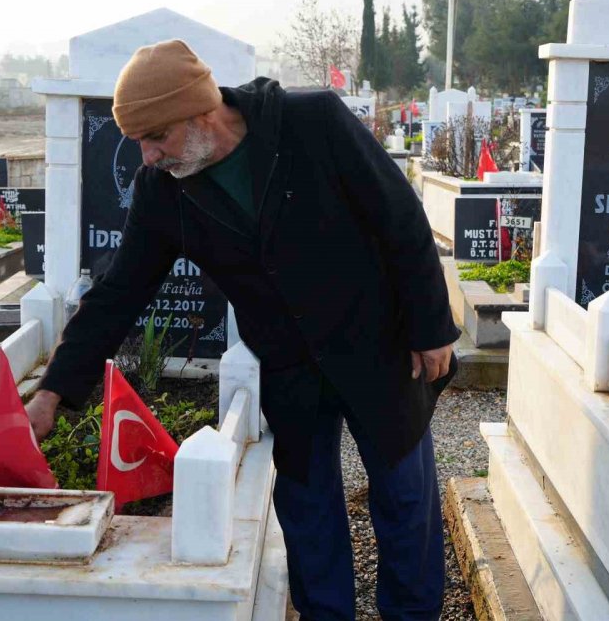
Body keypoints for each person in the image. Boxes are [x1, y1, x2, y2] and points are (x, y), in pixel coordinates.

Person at [25, 40, 458, 620]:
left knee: (404, 495)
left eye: (156, 137)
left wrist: (431, 326)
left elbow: (399, 215)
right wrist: (53, 391)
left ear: (200, 111)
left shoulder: (312, 122)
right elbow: (118, 292)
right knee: (309, 510)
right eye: (139, 142)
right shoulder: (164, 190)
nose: (148, 157)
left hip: (376, 343)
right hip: (289, 364)